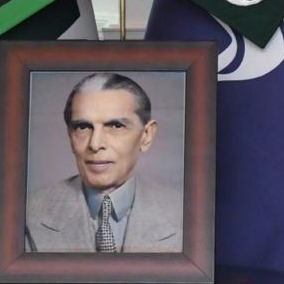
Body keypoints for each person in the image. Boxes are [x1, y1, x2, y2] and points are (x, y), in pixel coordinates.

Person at [23, 72, 182, 253]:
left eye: (116, 126)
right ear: (70, 136)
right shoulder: (27, 213)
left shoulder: (185, 214)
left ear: (146, 136)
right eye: (83, 127)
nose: (95, 144)